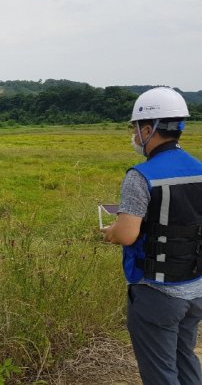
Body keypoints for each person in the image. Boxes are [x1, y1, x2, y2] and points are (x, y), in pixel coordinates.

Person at [101, 87, 202, 385]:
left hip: (156, 293)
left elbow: (127, 235)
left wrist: (111, 232)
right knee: (185, 358)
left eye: (135, 129)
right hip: (195, 288)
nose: (134, 135)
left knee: (160, 373)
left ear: (149, 128)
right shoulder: (200, 169)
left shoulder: (140, 176)